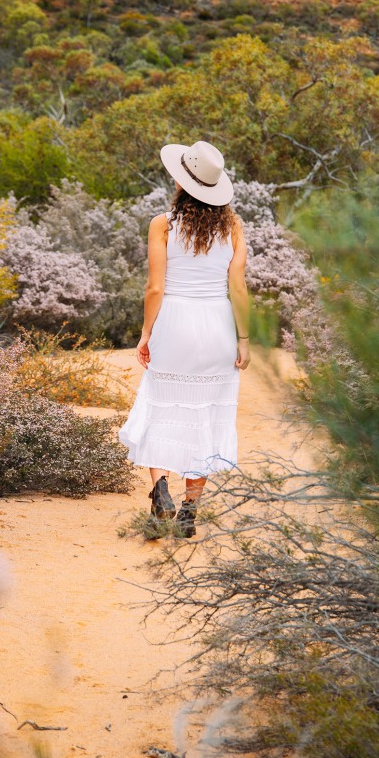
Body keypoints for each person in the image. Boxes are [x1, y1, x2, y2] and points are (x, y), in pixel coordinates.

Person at [118, 140, 250, 539]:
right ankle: (190, 510)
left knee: (160, 406)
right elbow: (238, 287)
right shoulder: (233, 225)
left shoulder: (163, 224)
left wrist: (146, 333)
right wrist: (244, 339)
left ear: (180, 181)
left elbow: (155, 288)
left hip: (175, 321)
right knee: (207, 414)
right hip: (217, 325)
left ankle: (160, 489)